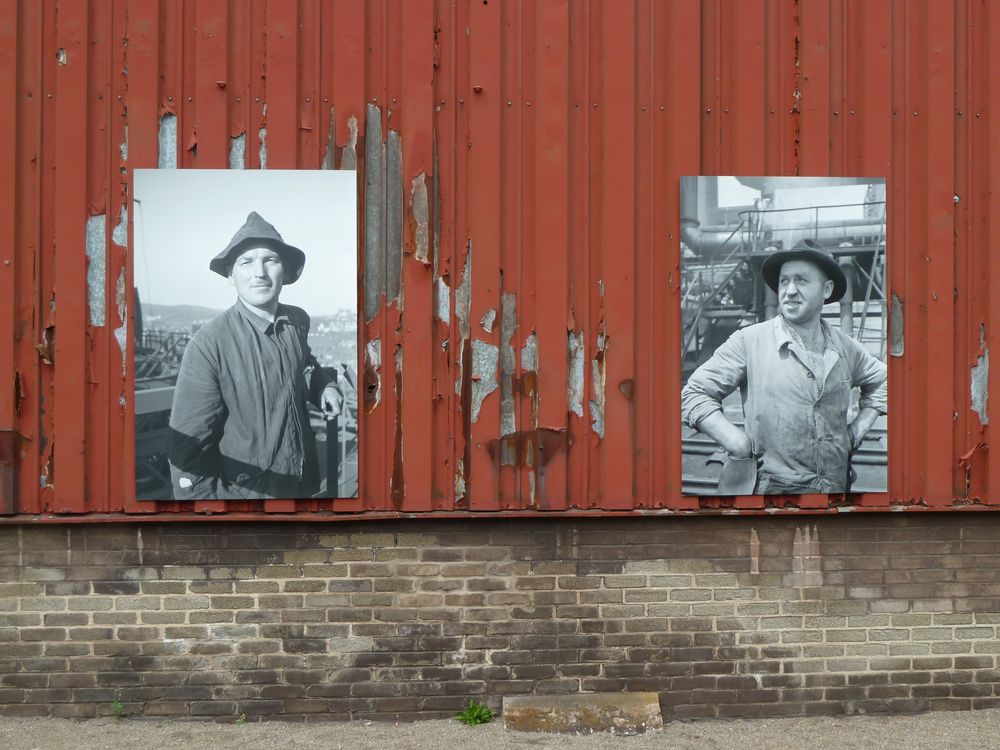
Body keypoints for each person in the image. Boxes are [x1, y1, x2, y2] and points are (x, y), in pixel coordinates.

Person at [681, 239, 887, 494]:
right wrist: (738, 443)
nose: (789, 291)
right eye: (783, 281)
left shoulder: (847, 348)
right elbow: (695, 393)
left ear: (827, 289)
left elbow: (884, 381)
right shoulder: (749, 341)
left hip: (834, 492)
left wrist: (855, 434)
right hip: (770, 497)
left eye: (801, 280)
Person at [166, 211, 343, 500]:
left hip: (302, 486)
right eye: (246, 262)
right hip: (249, 497)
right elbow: (187, 451)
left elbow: (305, 364)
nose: (259, 273)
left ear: (284, 271)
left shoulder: (297, 322)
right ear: (230, 276)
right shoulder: (209, 344)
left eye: (269, 260)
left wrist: (326, 385)